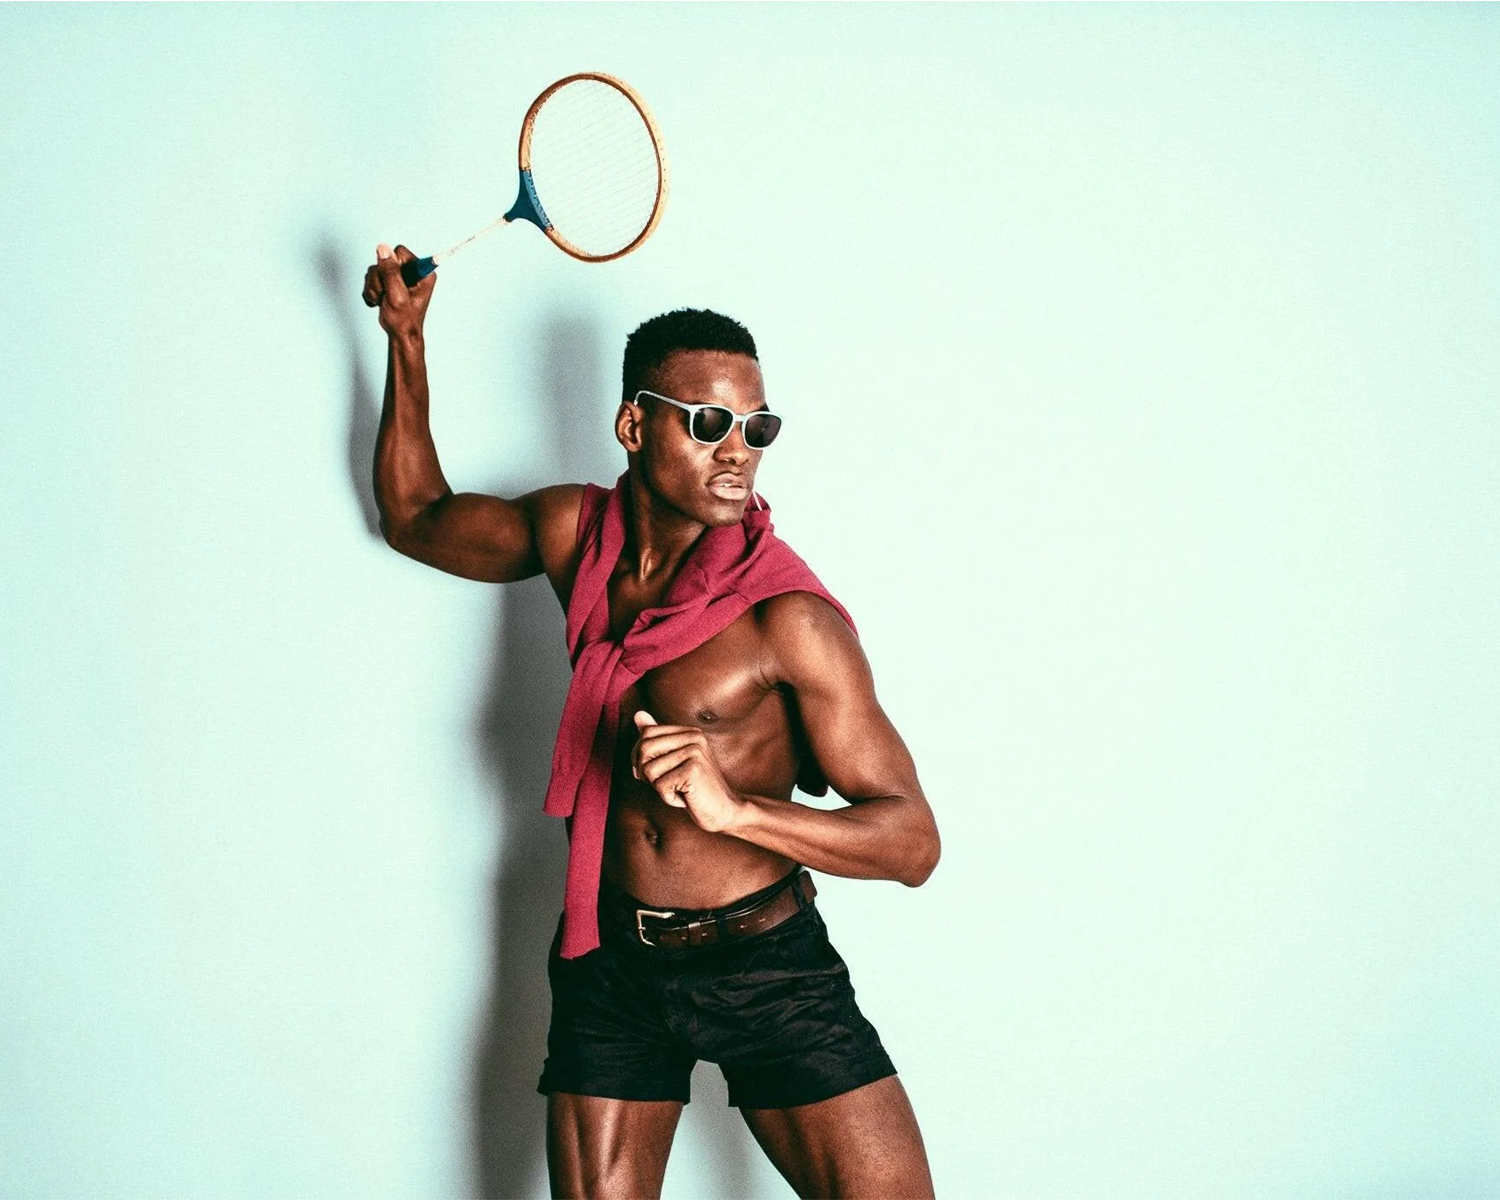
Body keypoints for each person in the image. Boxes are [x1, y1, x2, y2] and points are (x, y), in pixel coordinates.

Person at [363, 242, 940, 1200]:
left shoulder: (788, 622)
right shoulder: (574, 535)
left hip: (765, 966)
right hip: (609, 960)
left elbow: (912, 842)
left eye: (758, 427)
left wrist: (738, 810)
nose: (737, 451)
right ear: (634, 424)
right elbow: (417, 518)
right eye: (708, 422)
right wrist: (407, 340)